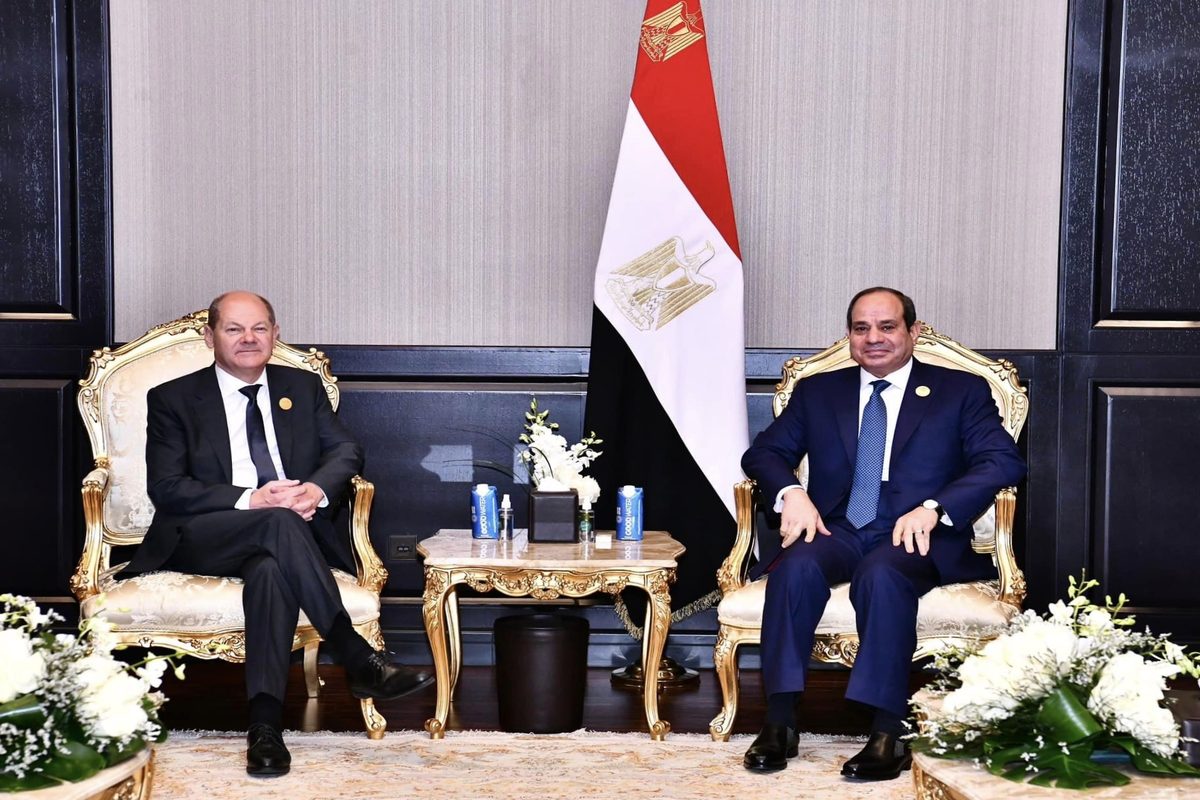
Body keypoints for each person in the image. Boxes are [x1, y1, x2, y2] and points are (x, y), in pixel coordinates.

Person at [127, 291, 432, 777]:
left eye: (259, 328)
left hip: (285, 538)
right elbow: (168, 488)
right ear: (210, 337)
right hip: (204, 538)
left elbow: (346, 452)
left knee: (271, 570)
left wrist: (313, 489)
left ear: (275, 333)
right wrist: (253, 499)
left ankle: (265, 730)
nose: (249, 339)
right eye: (233, 329)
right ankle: (353, 654)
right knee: (277, 519)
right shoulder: (173, 398)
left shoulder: (302, 387)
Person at [740, 287, 1026, 780]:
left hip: (914, 534)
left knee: (882, 576)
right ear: (849, 335)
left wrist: (935, 509)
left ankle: (888, 732)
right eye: (861, 328)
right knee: (796, 568)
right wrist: (792, 492)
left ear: (913, 332)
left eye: (887, 327)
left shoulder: (961, 391)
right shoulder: (819, 391)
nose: (874, 338)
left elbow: (1002, 460)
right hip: (840, 524)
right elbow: (763, 454)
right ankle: (781, 722)